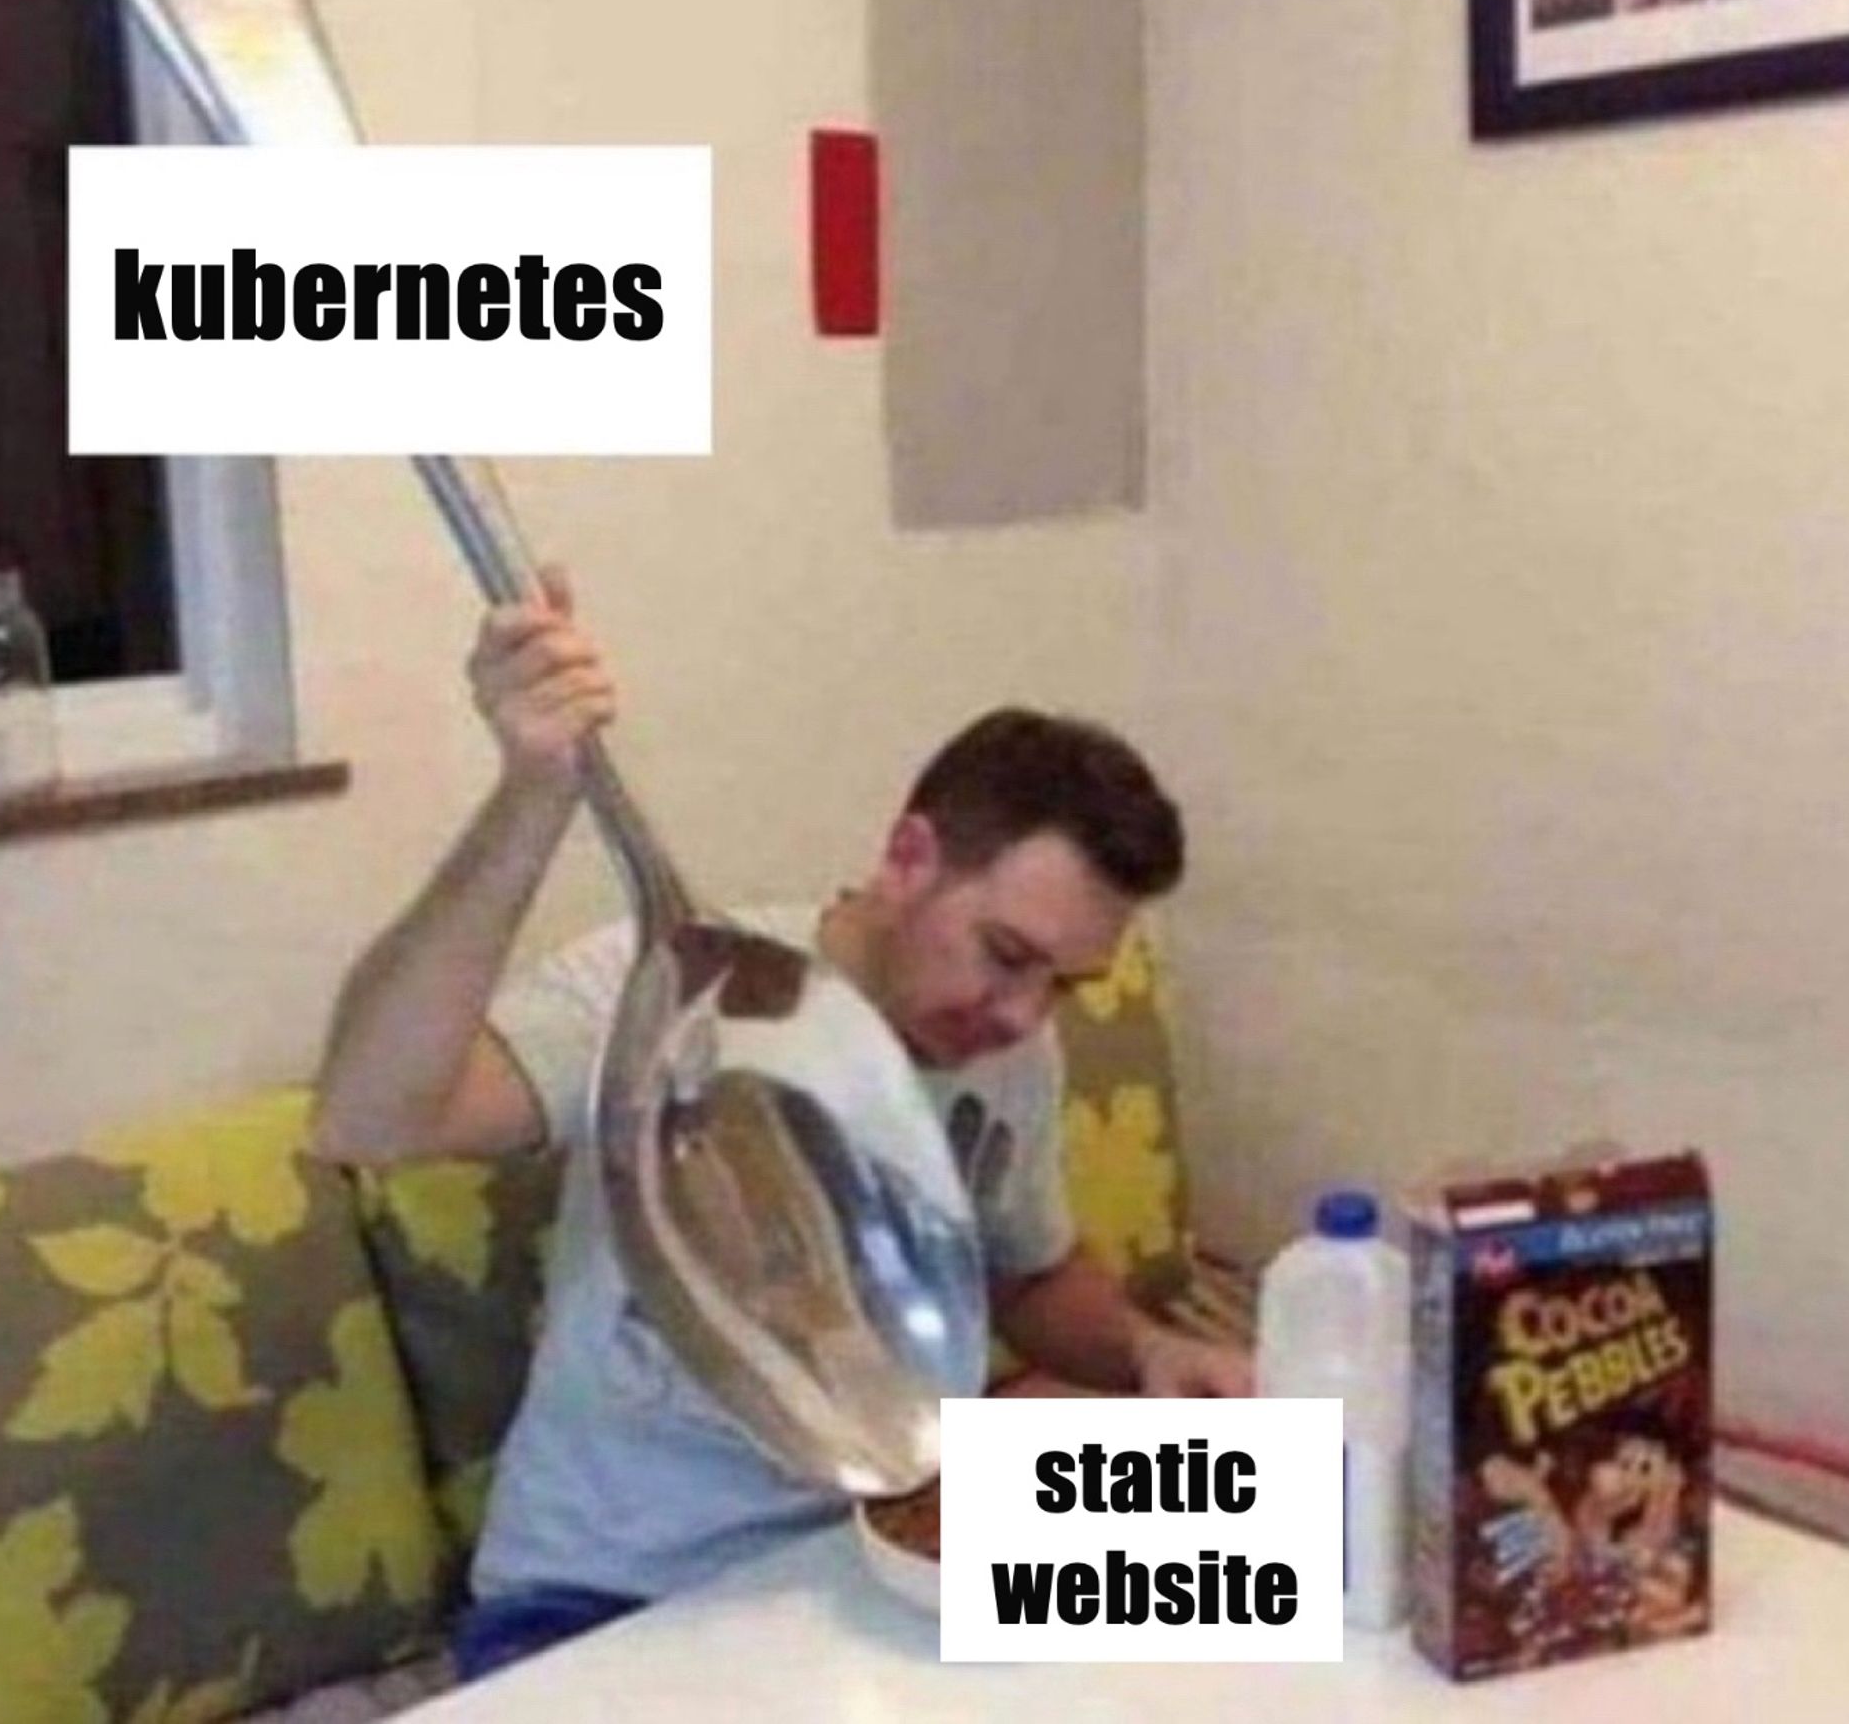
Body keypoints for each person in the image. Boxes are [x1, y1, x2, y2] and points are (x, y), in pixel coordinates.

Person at [312, 572, 1251, 1679]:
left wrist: (1147, 1350)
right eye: (1005, 955)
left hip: (892, 1549)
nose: (1021, 1016)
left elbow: (1026, 1277)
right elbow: (365, 1120)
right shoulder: (669, 991)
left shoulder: (1009, 1050)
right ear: (907, 859)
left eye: (1066, 985)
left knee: (1289, 1562)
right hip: (611, 1597)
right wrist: (529, 798)